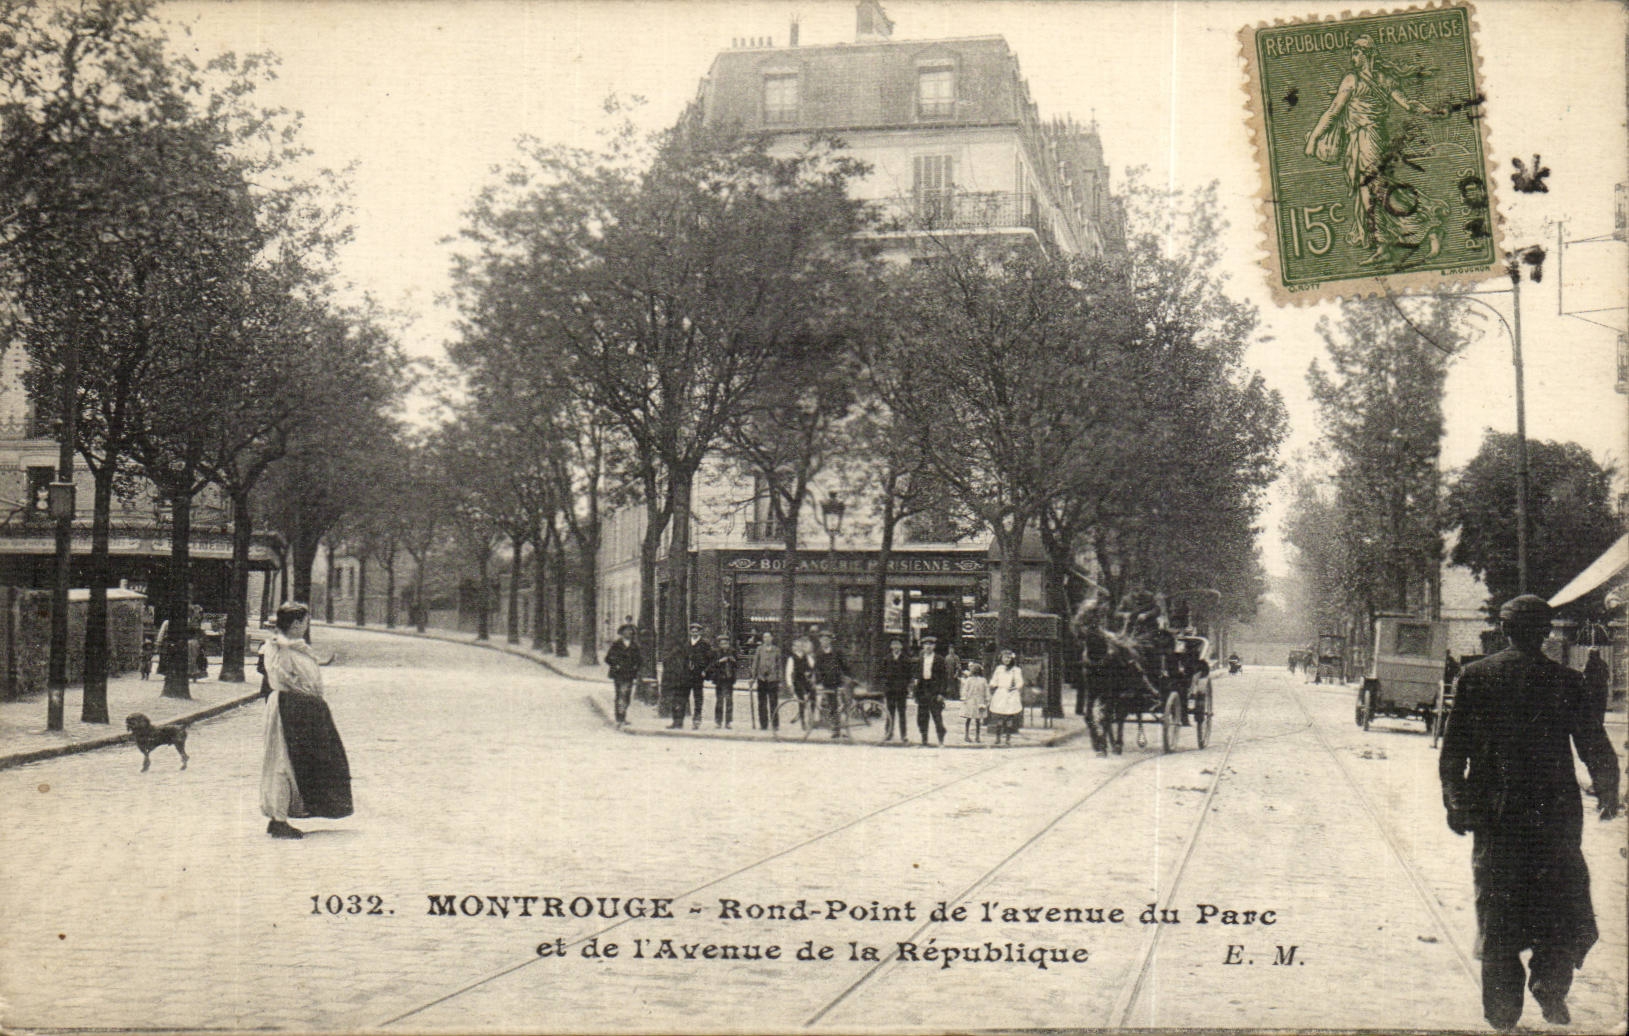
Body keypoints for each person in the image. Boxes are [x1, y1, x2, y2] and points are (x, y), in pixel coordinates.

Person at [1438, 595, 1621, 1031]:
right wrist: (1609, 788)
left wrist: (1456, 801)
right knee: (1560, 903)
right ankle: (1550, 986)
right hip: (1554, 815)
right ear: (1546, 635)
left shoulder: (1475, 677)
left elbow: (1453, 752)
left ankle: (1503, 1013)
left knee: (1498, 910)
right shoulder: (1567, 681)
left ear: (1503, 631)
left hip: (1496, 815)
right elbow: (1593, 742)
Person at [1304, 33, 1448, 265]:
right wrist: (1428, 111)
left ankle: (1429, 225)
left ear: (1368, 54)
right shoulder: (1383, 79)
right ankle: (1383, 245)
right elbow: (1408, 104)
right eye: (1353, 52)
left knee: (1378, 189)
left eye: (1357, 52)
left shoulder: (1354, 80)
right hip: (1362, 139)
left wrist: (1313, 139)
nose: (1353, 56)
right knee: (1369, 192)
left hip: (1369, 138)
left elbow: (1333, 111)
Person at [259, 602, 352, 840]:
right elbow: (281, 675)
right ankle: (279, 820)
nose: (305, 627)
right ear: (295, 623)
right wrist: (304, 690)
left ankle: (279, 816)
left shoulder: (294, 647)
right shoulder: (279, 647)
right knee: (283, 761)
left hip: (303, 706)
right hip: (290, 706)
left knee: (294, 762)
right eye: (304, 622)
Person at [813, 632, 851, 739]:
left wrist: (849, 677)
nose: (824, 641)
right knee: (832, 706)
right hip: (827, 683)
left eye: (826, 639)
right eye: (822, 639)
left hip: (839, 682)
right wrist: (818, 681)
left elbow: (844, 665)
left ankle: (846, 729)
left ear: (830, 641)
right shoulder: (818, 653)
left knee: (843, 705)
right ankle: (836, 730)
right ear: (820, 641)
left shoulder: (837, 651)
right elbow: (817, 669)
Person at [912, 634, 949, 746]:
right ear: (923, 646)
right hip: (923, 689)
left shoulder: (939, 659)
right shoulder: (920, 659)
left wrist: (941, 693)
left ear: (934, 646)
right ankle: (924, 740)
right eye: (926, 644)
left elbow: (944, 677)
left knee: (937, 716)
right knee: (922, 717)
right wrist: (915, 692)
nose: (928, 647)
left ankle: (941, 739)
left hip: (935, 689)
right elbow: (917, 676)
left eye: (931, 644)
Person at [876, 636, 914, 743]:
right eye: (894, 644)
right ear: (891, 646)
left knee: (902, 713)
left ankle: (904, 735)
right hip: (890, 690)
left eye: (898, 644)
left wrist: (908, 686)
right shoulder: (886, 659)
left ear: (901, 647)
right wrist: (885, 685)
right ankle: (888, 733)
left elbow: (910, 675)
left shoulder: (906, 659)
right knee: (890, 713)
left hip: (902, 690)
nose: (896, 647)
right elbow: (881, 673)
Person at [605, 623, 642, 727]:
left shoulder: (635, 646)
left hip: (629, 674)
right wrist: (616, 664)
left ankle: (622, 716)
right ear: (622, 633)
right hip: (618, 674)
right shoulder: (616, 644)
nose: (629, 633)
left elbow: (639, 660)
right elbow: (608, 658)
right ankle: (620, 717)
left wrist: (635, 667)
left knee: (626, 695)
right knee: (620, 694)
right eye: (626, 631)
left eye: (631, 631)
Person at [988, 649, 1025, 747]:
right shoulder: (999, 669)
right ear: (1001, 658)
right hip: (1001, 694)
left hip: (1011, 694)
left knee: (1009, 717)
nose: (1007, 660)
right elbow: (994, 681)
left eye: (1009, 657)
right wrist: (992, 685)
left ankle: (1008, 739)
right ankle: (998, 738)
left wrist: (1015, 687)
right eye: (1005, 657)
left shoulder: (1016, 670)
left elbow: (1020, 682)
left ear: (1012, 658)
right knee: (999, 717)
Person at [749, 630, 783, 732]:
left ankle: (775, 724)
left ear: (772, 638)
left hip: (773, 680)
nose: (766, 639)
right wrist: (752, 677)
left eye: (768, 637)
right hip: (761, 679)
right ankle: (763, 724)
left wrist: (780, 680)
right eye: (764, 637)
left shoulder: (776, 650)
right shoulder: (759, 649)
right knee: (762, 703)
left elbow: (779, 666)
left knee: (773, 702)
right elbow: (755, 664)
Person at [683, 622, 715, 731]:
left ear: (700, 632)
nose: (694, 633)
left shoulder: (705, 644)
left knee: (698, 698)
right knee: (684, 696)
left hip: (698, 674)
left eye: (696, 631)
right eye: (692, 631)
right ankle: (680, 720)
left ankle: (697, 719)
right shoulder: (687, 644)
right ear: (690, 632)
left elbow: (711, 660)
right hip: (687, 674)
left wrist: (705, 671)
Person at [708, 635, 738, 729]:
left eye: (726, 643)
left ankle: (728, 722)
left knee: (729, 701)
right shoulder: (716, 653)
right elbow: (711, 665)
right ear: (719, 645)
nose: (724, 645)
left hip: (729, 679)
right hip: (719, 679)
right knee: (719, 701)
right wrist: (720, 661)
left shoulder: (733, 652)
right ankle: (718, 721)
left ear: (728, 644)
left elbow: (737, 665)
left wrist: (733, 661)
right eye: (722, 643)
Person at [785, 635, 815, 727]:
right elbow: (788, 673)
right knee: (801, 700)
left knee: (813, 696)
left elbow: (814, 668)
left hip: (806, 681)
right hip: (797, 682)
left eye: (801, 645)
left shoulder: (807, 657)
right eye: (796, 646)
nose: (799, 647)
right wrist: (790, 685)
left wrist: (812, 677)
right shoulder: (791, 658)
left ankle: (811, 718)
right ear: (794, 647)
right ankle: (803, 722)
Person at [959, 662, 990, 743]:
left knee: (974, 719)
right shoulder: (974, 680)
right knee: (973, 719)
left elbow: (986, 691)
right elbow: (965, 690)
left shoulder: (979, 680)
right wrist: (964, 698)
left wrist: (987, 698)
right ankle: (972, 736)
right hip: (974, 701)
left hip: (976, 702)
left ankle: (973, 736)